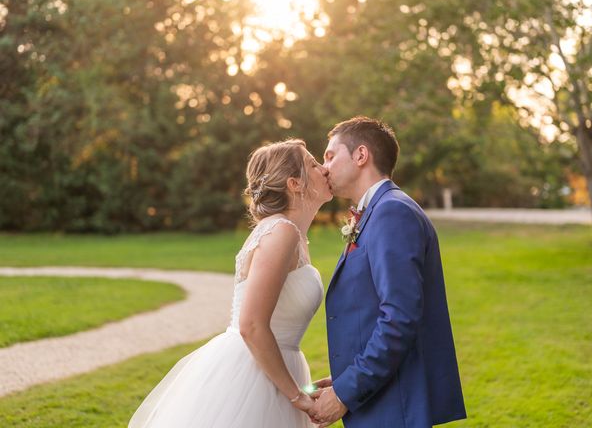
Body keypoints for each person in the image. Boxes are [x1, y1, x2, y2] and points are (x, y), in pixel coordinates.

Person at [129, 139, 332, 428]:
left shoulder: (294, 235)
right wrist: (297, 396)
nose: (325, 169)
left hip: (278, 368)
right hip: (252, 374)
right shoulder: (281, 232)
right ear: (294, 183)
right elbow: (251, 325)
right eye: (314, 164)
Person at [308, 117, 466, 427]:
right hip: (381, 394)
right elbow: (370, 311)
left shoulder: (391, 212)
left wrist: (344, 393)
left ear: (361, 155)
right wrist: (344, 378)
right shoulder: (378, 211)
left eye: (330, 155)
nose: (323, 166)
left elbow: (399, 318)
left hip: (397, 404)